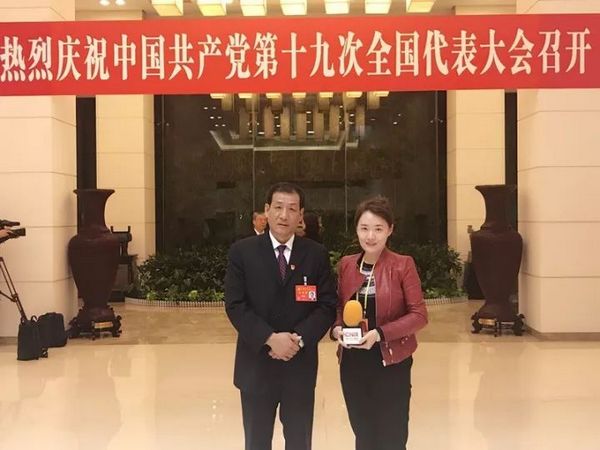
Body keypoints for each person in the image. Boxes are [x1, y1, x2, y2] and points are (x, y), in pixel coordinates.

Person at [225, 182, 337, 450]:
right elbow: (235, 304)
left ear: (301, 215)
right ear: (266, 210)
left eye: (292, 209)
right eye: (278, 207)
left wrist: (297, 339)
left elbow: (327, 305)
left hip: (299, 369)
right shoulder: (242, 252)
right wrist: (269, 338)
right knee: (256, 443)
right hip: (256, 367)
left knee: (299, 443)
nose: (284, 215)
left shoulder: (315, 254)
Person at [331, 196, 428, 450]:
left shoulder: (402, 265)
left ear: (390, 230)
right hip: (353, 361)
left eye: (378, 229)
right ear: (356, 229)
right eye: (364, 228)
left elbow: (419, 314)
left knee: (392, 436)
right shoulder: (347, 265)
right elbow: (338, 306)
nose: (370, 236)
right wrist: (337, 328)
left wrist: (380, 333)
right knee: (363, 434)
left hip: (391, 361)